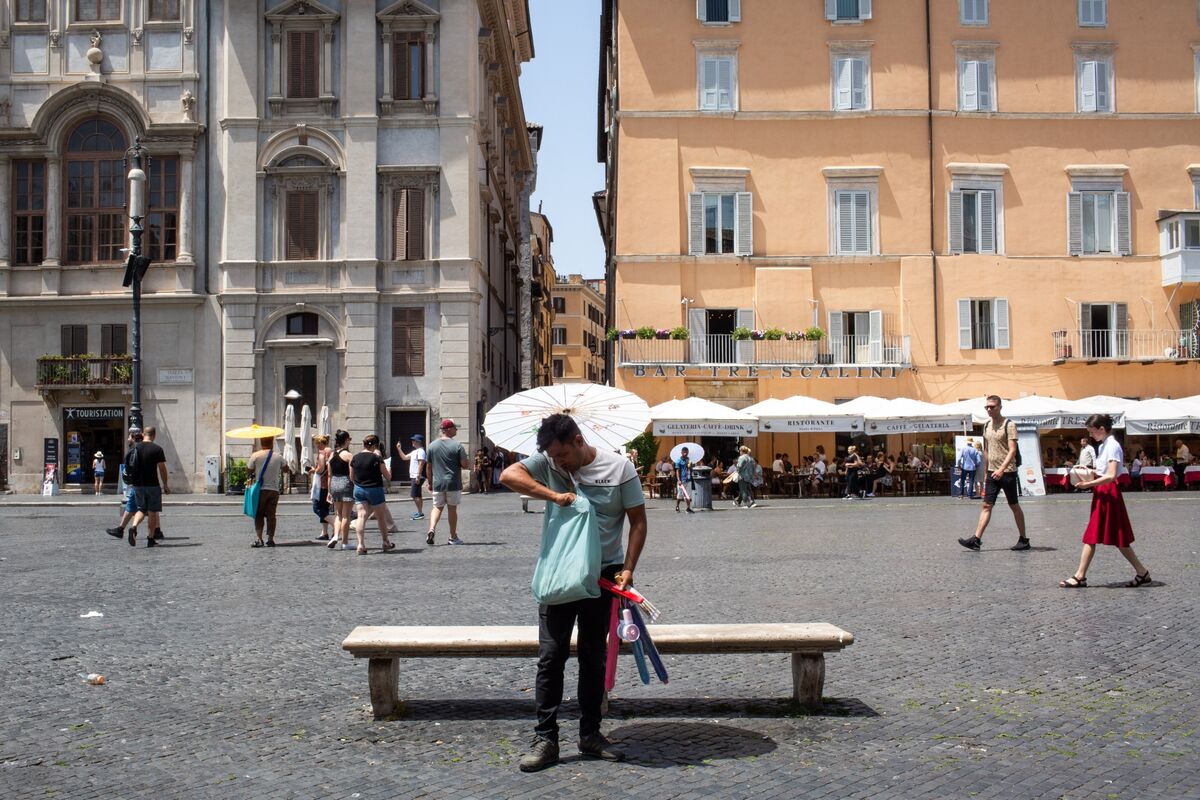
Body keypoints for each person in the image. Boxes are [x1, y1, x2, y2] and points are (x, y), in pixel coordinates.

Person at [499, 413, 646, 773]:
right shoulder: (550, 463)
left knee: (593, 657)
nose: (558, 461)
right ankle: (546, 738)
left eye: (563, 454)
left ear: (579, 440)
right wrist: (555, 495)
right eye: (553, 456)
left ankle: (590, 734)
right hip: (560, 571)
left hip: (603, 575)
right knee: (551, 657)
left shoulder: (620, 469)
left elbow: (638, 521)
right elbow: (508, 476)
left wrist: (628, 568)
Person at [1059, 414, 1151, 589]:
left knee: (1098, 536)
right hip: (1103, 492)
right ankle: (1141, 572)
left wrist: (1088, 483)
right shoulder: (1104, 445)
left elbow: (1110, 475)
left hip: (1109, 493)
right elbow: (1104, 472)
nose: (1090, 435)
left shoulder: (1112, 446)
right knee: (1114, 537)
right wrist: (1088, 470)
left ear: (1101, 429)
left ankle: (1080, 576)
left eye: (1092, 431)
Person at [959, 396, 1030, 552]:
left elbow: (1012, 450)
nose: (989, 409)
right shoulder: (986, 426)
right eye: (987, 407)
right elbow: (986, 450)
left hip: (1008, 472)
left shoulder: (1009, 425)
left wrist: (1002, 469)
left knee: (1013, 505)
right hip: (992, 472)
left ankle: (1023, 539)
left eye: (992, 407)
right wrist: (986, 471)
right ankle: (976, 540)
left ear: (1000, 407)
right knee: (986, 505)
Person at [121, 425, 170, 548]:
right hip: (152, 485)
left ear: (143, 434)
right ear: (154, 435)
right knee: (152, 512)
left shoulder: (134, 449)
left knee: (141, 509)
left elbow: (127, 466)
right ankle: (150, 538)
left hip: (137, 485)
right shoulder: (157, 449)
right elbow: (162, 468)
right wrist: (165, 484)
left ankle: (134, 526)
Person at [426, 419, 470, 545]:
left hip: (437, 483)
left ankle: (431, 529)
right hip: (453, 483)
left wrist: (429, 482)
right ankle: (452, 536)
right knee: (452, 509)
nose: (456, 430)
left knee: (437, 507)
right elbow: (465, 465)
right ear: (449, 430)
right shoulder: (457, 446)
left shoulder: (432, 445)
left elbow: (428, 466)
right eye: (455, 428)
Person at [351, 434, 395, 555]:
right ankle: (386, 542)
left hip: (359, 489)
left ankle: (360, 545)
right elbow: (388, 476)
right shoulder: (376, 458)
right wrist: (388, 468)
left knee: (361, 517)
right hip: (375, 489)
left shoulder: (355, 457)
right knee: (380, 517)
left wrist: (359, 484)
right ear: (375, 445)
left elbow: (351, 477)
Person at [105, 431, 143, 542]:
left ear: (133, 438)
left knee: (144, 509)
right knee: (136, 507)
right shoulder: (144, 448)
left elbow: (129, 468)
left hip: (138, 484)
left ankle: (132, 529)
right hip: (144, 483)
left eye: (129, 437)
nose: (127, 439)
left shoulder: (134, 451)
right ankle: (121, 529)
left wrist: (129, 480)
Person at [246, 436, 282, 548]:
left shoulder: (255, 455)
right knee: (271, 515)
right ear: (272, 443)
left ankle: (259, 539)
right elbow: (286, 468)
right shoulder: (278, 456)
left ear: (261, 443)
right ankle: (270, 539)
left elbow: (249, 470)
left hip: (260, 490)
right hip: (274, 490)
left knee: (259, 514)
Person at [327, 430, 356, 550]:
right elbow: (351, 475)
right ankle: (344, 542)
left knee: (338, 514)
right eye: (349, 439)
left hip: (334, 483)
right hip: (345, 483)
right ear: (346, 440)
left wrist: (329, 491)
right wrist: (356, 485)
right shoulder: (349, 455)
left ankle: (335, 537)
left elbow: (329, 475)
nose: (350, 441)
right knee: (346, 516)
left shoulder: (332, 455)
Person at [395, 434, 428, 520]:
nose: (412, 442)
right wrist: (399, 449)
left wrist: (418, 475)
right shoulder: (415, 452)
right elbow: (404, 457)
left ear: (418, 442)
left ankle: (420, 513)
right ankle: (420, 512)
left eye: (414, 440)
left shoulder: (421, 451)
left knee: (414, 495)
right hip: (415, 475)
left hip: (417, 476)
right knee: (418, 495)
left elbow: (421, 463)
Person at [309, 434, 333, 540]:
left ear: (320, 443)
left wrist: (314, 470)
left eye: (317, 444)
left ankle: (335, 524)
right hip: (329, 483)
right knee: (325, 508)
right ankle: (324, 532)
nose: (316, 446)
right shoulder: (331, 451)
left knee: (317, 508)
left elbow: (321, 468)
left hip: (322, 484)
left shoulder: (322, 452)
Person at [674, 447, 694, 514]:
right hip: (681, 480)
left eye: (687, 452)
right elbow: (677, 471)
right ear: (681, 453)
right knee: (680, 495)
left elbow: (691, 469)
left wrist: (690, 467)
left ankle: (688, 508)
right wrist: (678, 480)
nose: (686, 454)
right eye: (684, 452)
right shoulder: (678, 461)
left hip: (688, 479)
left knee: (688, 495)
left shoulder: (688, 460)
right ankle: (677, 506)